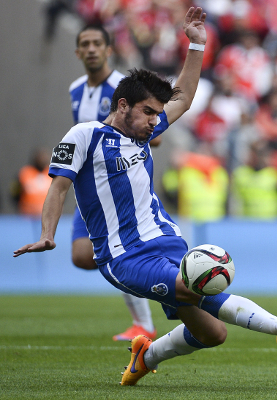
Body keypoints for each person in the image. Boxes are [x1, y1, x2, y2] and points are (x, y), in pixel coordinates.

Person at [14, 7, 277, 387]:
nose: (155, 122)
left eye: (158, 114)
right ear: (122, 106)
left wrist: (196, 43)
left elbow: (185, 97)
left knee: (212, 334)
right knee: (192, 288)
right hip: (124, 256)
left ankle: (147, 354)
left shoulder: (143, 130)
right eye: (148, 112)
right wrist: (48, 233)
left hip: (166, 239)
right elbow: (58, 185)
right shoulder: (84, 135)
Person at [70, 23, 160, 341]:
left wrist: (146, 131)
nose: (92, 49)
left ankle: (144, 320)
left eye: (98, 43)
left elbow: (153, 129)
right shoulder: (76, 89)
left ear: (109, 50)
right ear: (78, 52)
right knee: (81, 255)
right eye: (86, 44)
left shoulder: (123, 90)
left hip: (120, 180)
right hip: (90, 185)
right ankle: (141, 270)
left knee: (118, 252)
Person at [11, 148, 52, 216]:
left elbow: (61, 192)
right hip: (27, 214)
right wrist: (20, 206)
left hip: (48, 214)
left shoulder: (52, 174)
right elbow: (14, 192)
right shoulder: (24, 173)